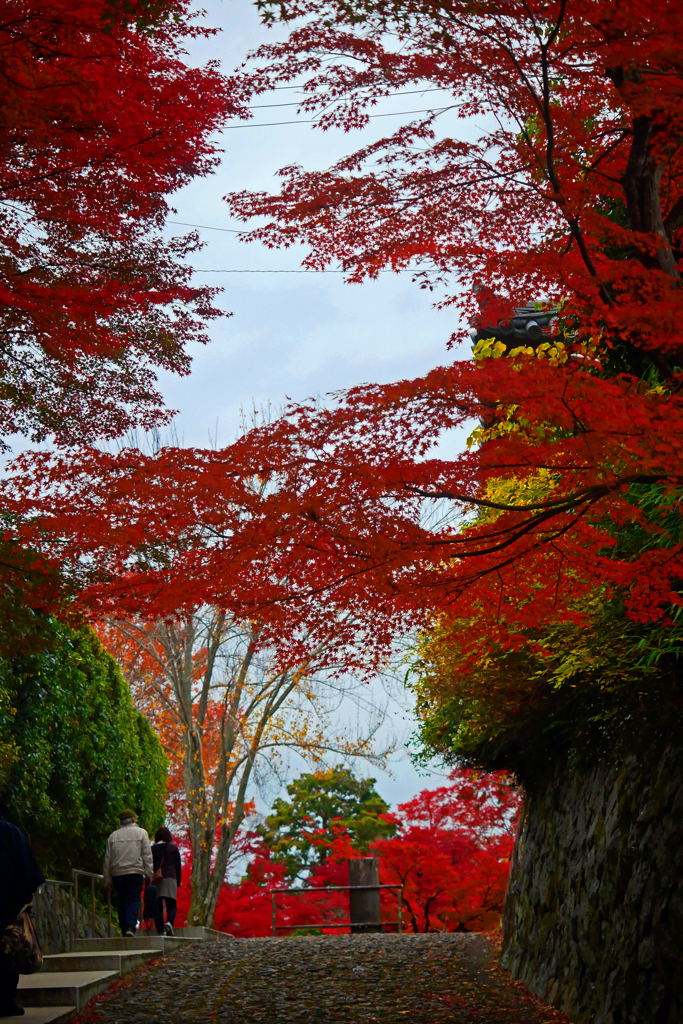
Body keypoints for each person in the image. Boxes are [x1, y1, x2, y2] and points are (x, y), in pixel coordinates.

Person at [0, 805, 45, 1017]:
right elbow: (28, 868)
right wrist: (25, 899)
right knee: (9, 950)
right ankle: (6, 1000)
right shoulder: (11, 832)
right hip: (7, 904)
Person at [103, 809, 153, 937]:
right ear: (133, 819)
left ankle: (124, 928)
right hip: (135, 871)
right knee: (134, 898)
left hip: (118, 873)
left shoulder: (113, 836)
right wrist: (149, 874)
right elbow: (147, 855)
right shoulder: (141, 833)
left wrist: (107, 879)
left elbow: (107, 859)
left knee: (122, 900)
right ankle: (130, 926)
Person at [151, 827, 181, 936]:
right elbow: (178, 866)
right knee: (171, 904)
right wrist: (178, 881)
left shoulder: (152, 849)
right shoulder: (173, 848)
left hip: (157, 879)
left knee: (158, 906)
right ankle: (169, 923)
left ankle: (160, 930)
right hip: (170, 877)